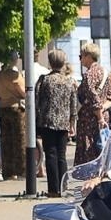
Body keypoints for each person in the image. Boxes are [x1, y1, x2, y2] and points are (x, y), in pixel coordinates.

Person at [34, 49, 79, 196]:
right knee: (62, 155)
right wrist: (72, 122)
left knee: (50, 155)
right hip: (64, 123)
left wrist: (37, 119)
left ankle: (53, 189)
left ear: (50, 62)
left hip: (47, 122)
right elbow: (73, 104)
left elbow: (37, 101)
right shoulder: (70, 81)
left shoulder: (44, 80)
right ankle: (63, 187)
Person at [73, 42, 111, 165]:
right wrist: (103, 109)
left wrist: (99, 117)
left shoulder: (89, 75)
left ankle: (91, 179)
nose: (80, 59)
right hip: (103, 117)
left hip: (90, 120)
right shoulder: (104, 72)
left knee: (90, 152)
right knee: (102, 150)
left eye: (81, 56)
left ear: (88, 56)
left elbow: (93, 98)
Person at [0, 57, 28, 179]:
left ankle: (7, 171)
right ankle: (20, 171)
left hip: (3, 107)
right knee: (19, 140)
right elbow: (24, 92)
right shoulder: (15, 75)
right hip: (16, 108)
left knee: (6, 141)